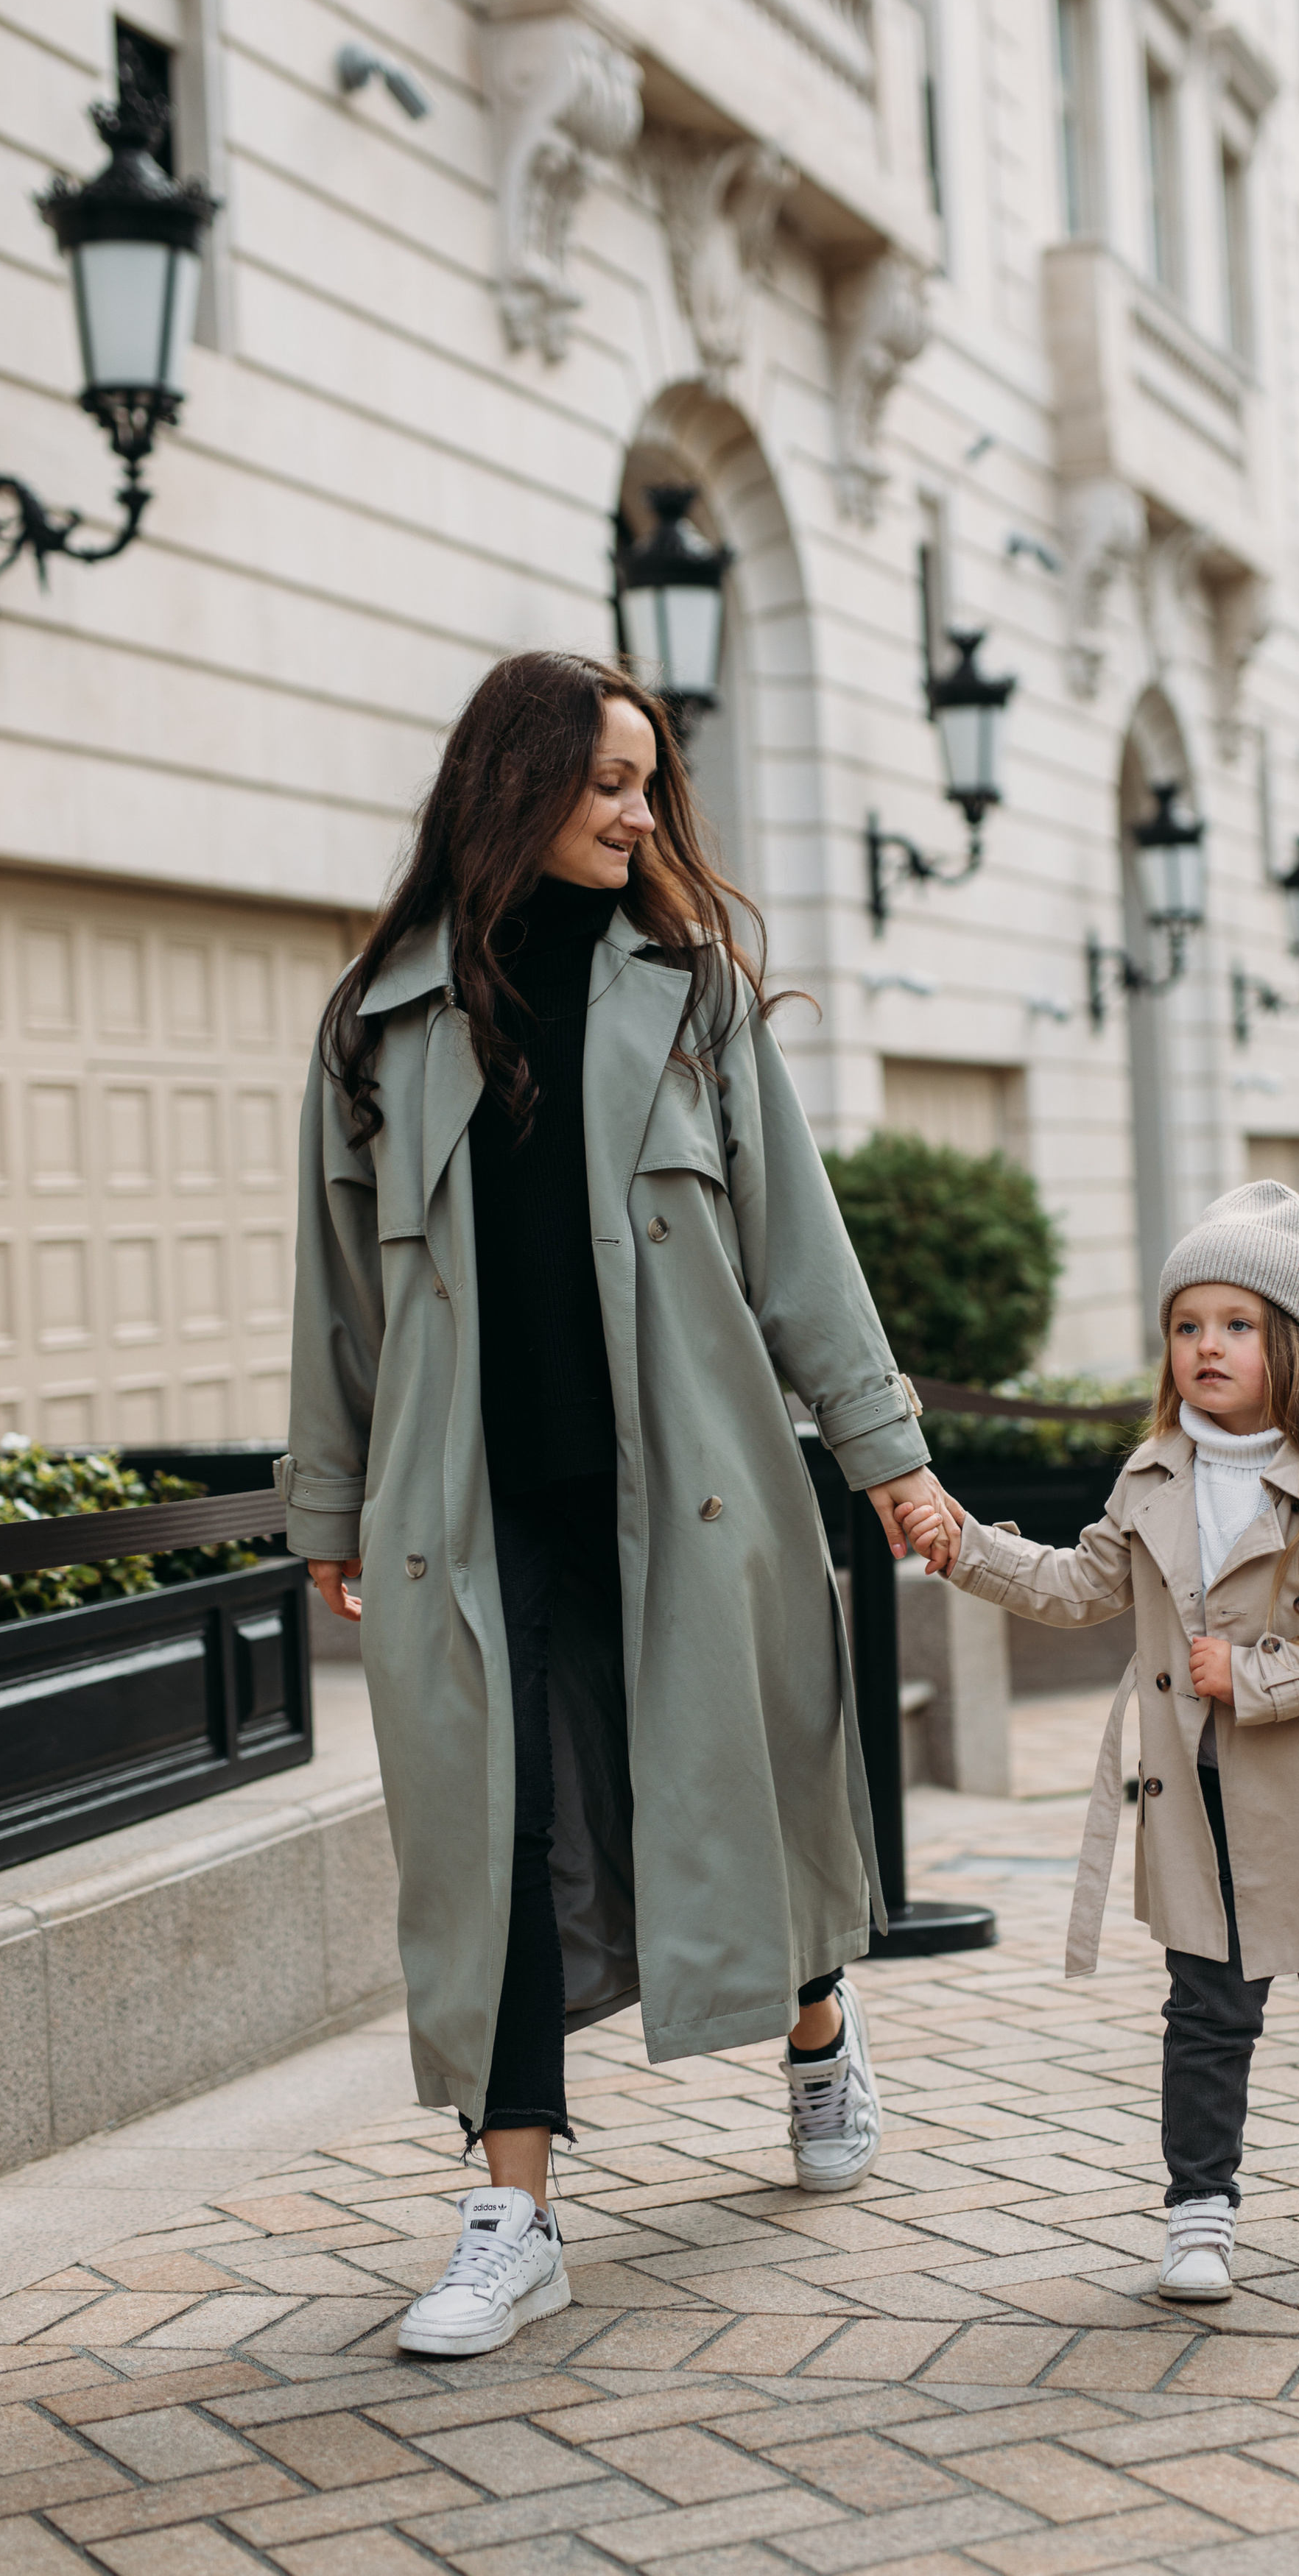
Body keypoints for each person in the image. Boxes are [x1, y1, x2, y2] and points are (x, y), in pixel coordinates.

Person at [282, 651, 950, 2358]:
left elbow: (797, 1244)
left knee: (736, 1793)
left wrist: (887, 1457)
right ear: (512, 790)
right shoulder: (376, 1024)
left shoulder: (692, 993)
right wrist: (334, 1503)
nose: (640, 813)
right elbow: (339, 1292)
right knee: (492, 1847)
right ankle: (512, 2211)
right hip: (474, 1512)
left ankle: (813, 2025)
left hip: (697, 1493)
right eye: (606, 784)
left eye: (647, 782)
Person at [901, 1181, 1299, 2303]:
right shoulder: (1154, 1472)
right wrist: (964, 1546)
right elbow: (1080, 1583)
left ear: (1289, 1345)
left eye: (1237, 1326)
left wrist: (1255, 1674)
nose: (1207, 1346)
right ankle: (1199, 2212)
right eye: (1187, 1325)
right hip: (1198, 1795)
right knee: (1207, 2011)